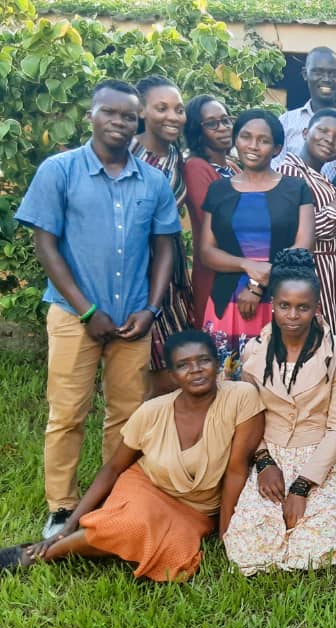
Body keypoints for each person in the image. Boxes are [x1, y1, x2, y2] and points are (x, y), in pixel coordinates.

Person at [15, 79, 179, 539]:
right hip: (73, 316)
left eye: (128, 116)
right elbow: (45, 244)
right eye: (110, 113)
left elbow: (165, 246)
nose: (119, 122)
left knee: (129, 416)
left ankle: (112, 498)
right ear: (91, 116)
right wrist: (88, 311)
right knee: (67, 412)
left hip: (133, 319)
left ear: (138, 121)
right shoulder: (60, 170)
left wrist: (151, 307)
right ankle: (61, 506)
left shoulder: (152, 180)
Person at [0, 331, 264, 580]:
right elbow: (114, 468)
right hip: (147, 486)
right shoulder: (152, 412)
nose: (195, 370)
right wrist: (70, 523)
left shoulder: (241, 398)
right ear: (171, 375)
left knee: (176, 558)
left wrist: (225, 533)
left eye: (203, 360)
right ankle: (36, 555)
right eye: (183, 365)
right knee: (131, 526)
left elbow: (236, 470)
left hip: (197, 510)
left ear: (217, 364)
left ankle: (67, 541)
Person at [222, 249, 336, 575]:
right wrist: (263, 463)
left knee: (308, 548)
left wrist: (302, 487)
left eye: (303, 308)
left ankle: (327, 515)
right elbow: (250, 417)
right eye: (284, 306)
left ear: (316, 308)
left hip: (322, 453)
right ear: (272, 305)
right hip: (271, 451)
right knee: (249, 546)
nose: (292, 315)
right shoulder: (255, 351)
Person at [199, 109, 315, 380]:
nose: (253, 146)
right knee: (228, 385)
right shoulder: (219, 190)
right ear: (235, 141)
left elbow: (303, 248)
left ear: (276, 148)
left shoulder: (296, 188)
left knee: (280, 380)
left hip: (284, 302)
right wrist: (248, 265)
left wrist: (257, 284)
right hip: (227, 304)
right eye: (246, 137)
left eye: (263, 140)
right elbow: (206, 251)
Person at [131, 76, 196, 395]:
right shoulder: (126, 154)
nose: (173, 116)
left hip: (170, 277)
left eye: (179, 109)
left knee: (175, 365)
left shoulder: (177, 158)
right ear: (141, 111)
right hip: (134, 274)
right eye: (162, 108)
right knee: (144, 368)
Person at [278, 109, 336, 336]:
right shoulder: (289, 172)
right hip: (313, 272)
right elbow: (294, 231)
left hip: (333, 274)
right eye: (324, 131)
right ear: (305, 132)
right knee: (316, 340)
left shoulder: (319, 176)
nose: (330, 140)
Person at [182, 95, 240, 321]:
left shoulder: (233, 168)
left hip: (242, 272)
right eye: (212, 123)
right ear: (197, 130)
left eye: (226, 120)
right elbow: (219, 224)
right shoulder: (197, 167)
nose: (223, 128)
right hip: (215, 274)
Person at [275, 47, 336, 180]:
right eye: (318, 72)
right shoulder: (286, 122)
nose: (326, 79)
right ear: (305, 74)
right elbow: (274, 170)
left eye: (333, 73)